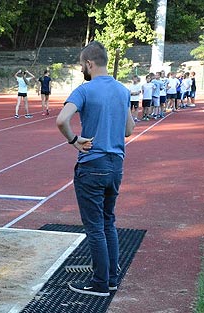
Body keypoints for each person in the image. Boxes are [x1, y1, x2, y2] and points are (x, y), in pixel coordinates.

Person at [56, 41, 134, 297]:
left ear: (89, 64)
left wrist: (74, 140)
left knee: (94, 227)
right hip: (116, 166)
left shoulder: (85, 89)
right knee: (108, 221)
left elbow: (61, 120)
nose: (82, 69)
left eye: (82, 65)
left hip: (92, 166)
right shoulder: (122, 91)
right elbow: (129, 130)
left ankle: (100, 283)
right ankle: (111, 278)